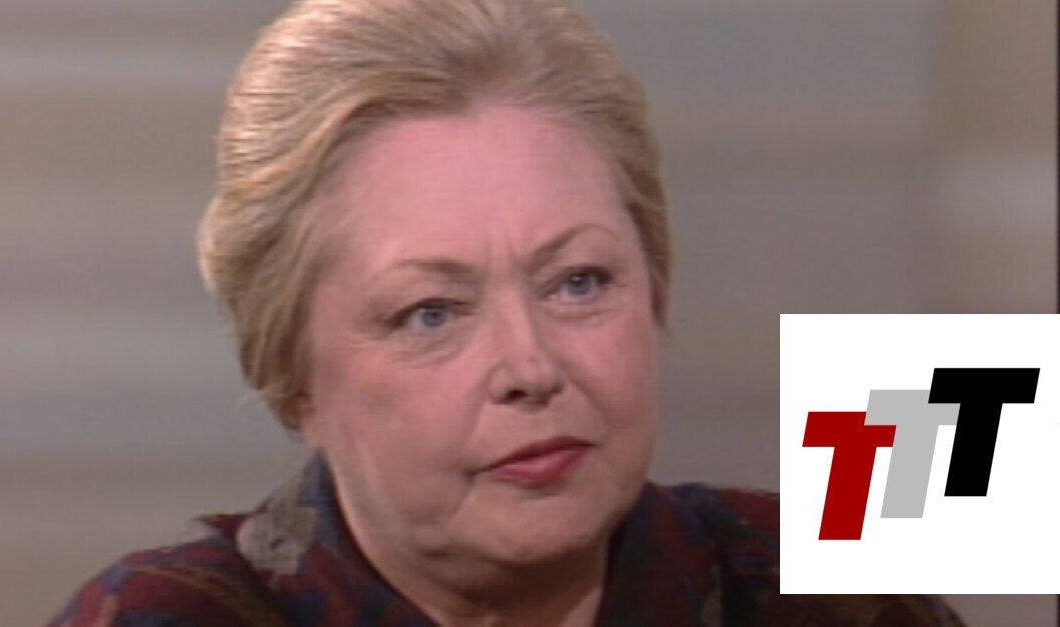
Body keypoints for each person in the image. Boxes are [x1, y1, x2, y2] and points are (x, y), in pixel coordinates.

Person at [49, 0, 964, 625]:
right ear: (294, 380)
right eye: (429, 313)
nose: (531, 365)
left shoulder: (832, 598)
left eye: (579, 282)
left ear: (654, 287)